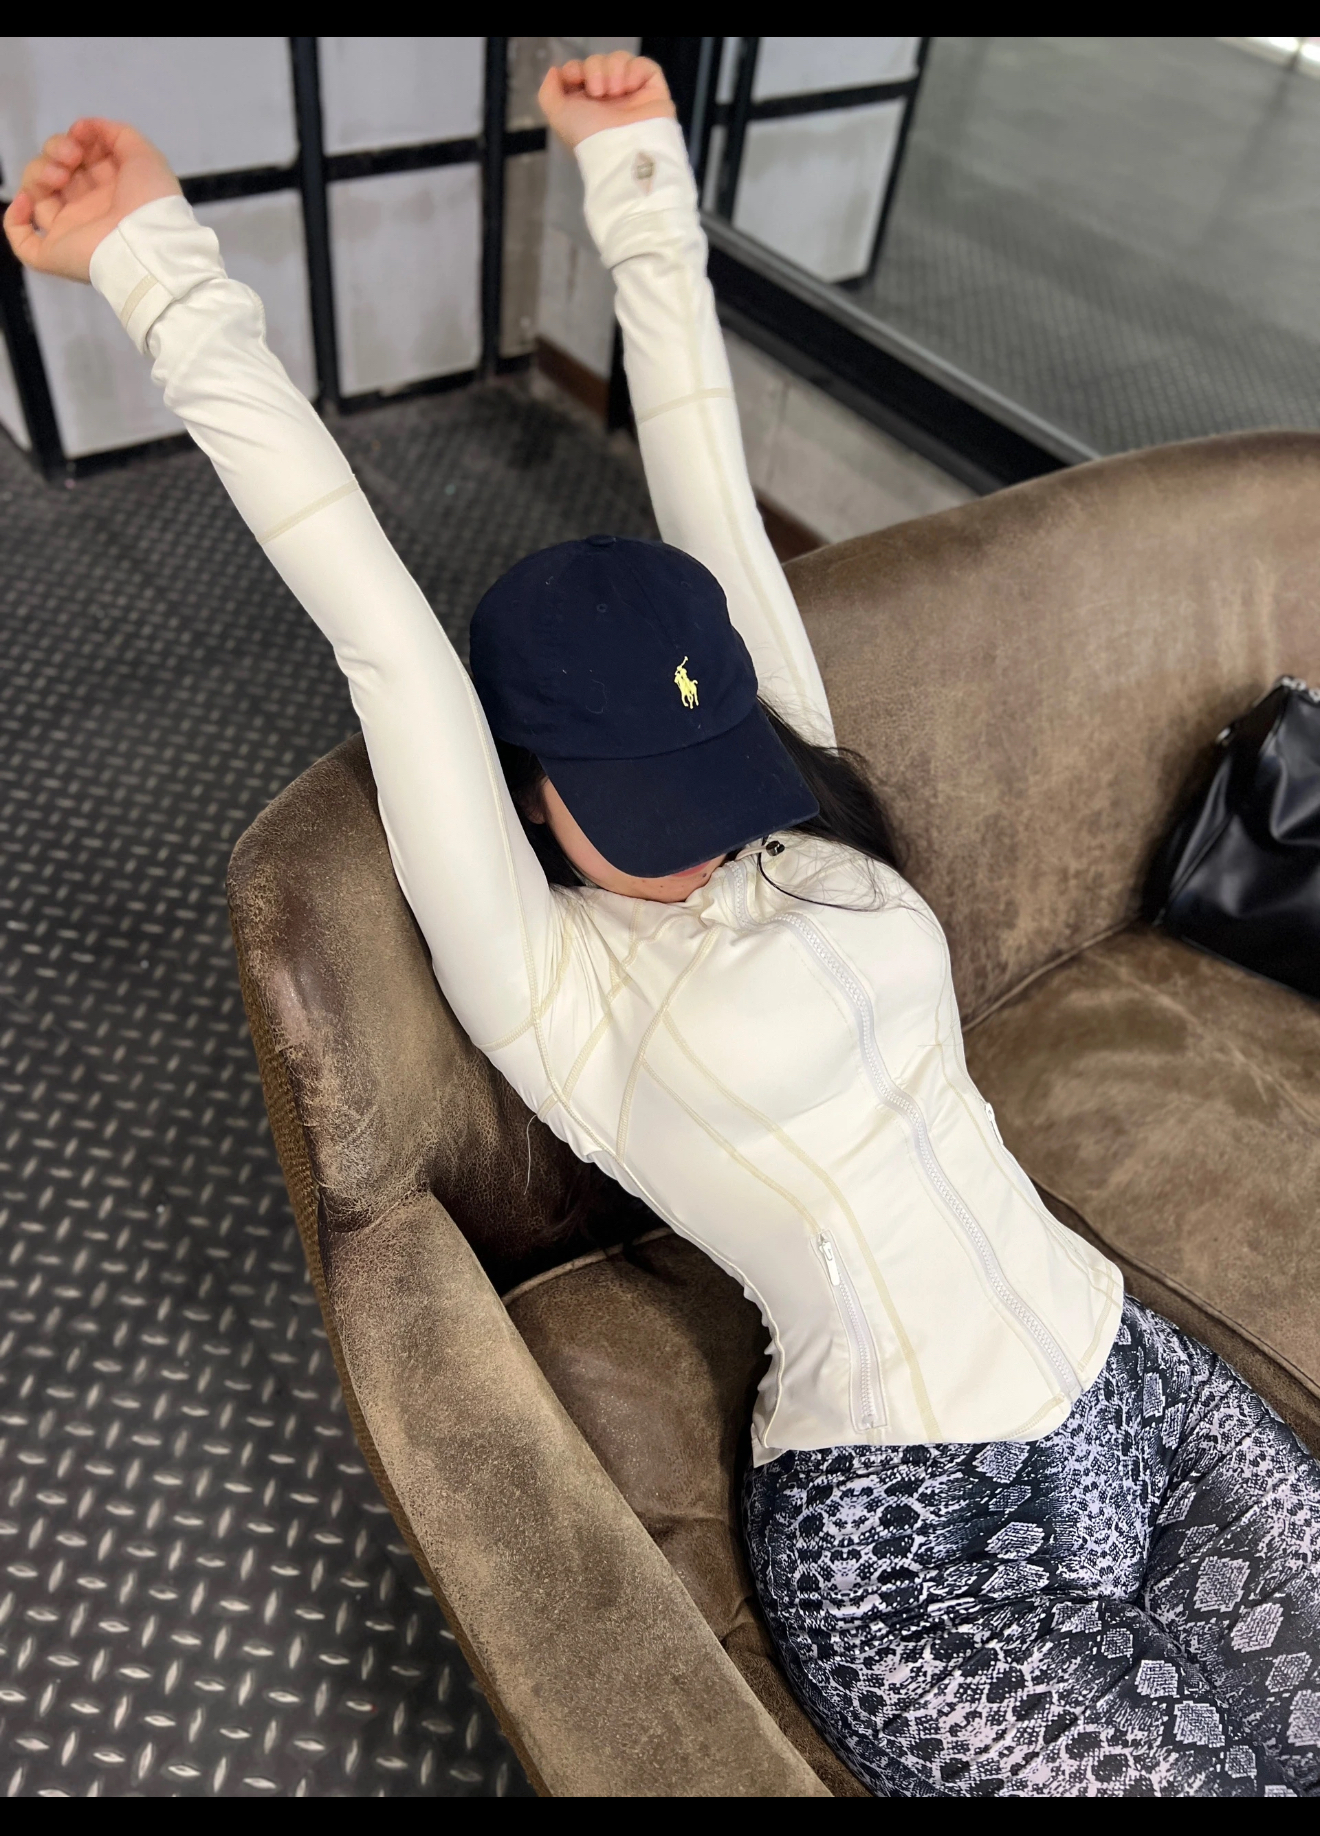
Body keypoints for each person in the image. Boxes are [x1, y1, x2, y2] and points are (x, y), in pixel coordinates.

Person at [7, 50, 1318, 1800]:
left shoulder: (790, 804)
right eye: (641, 807)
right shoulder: (555, 986)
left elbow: (705, 472)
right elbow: (380, 626)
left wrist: (638, 179)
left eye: (715, 774)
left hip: (1128, 1370)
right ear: (526, 793)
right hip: (912, 1542)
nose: (702, 842)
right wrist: (153, 263)